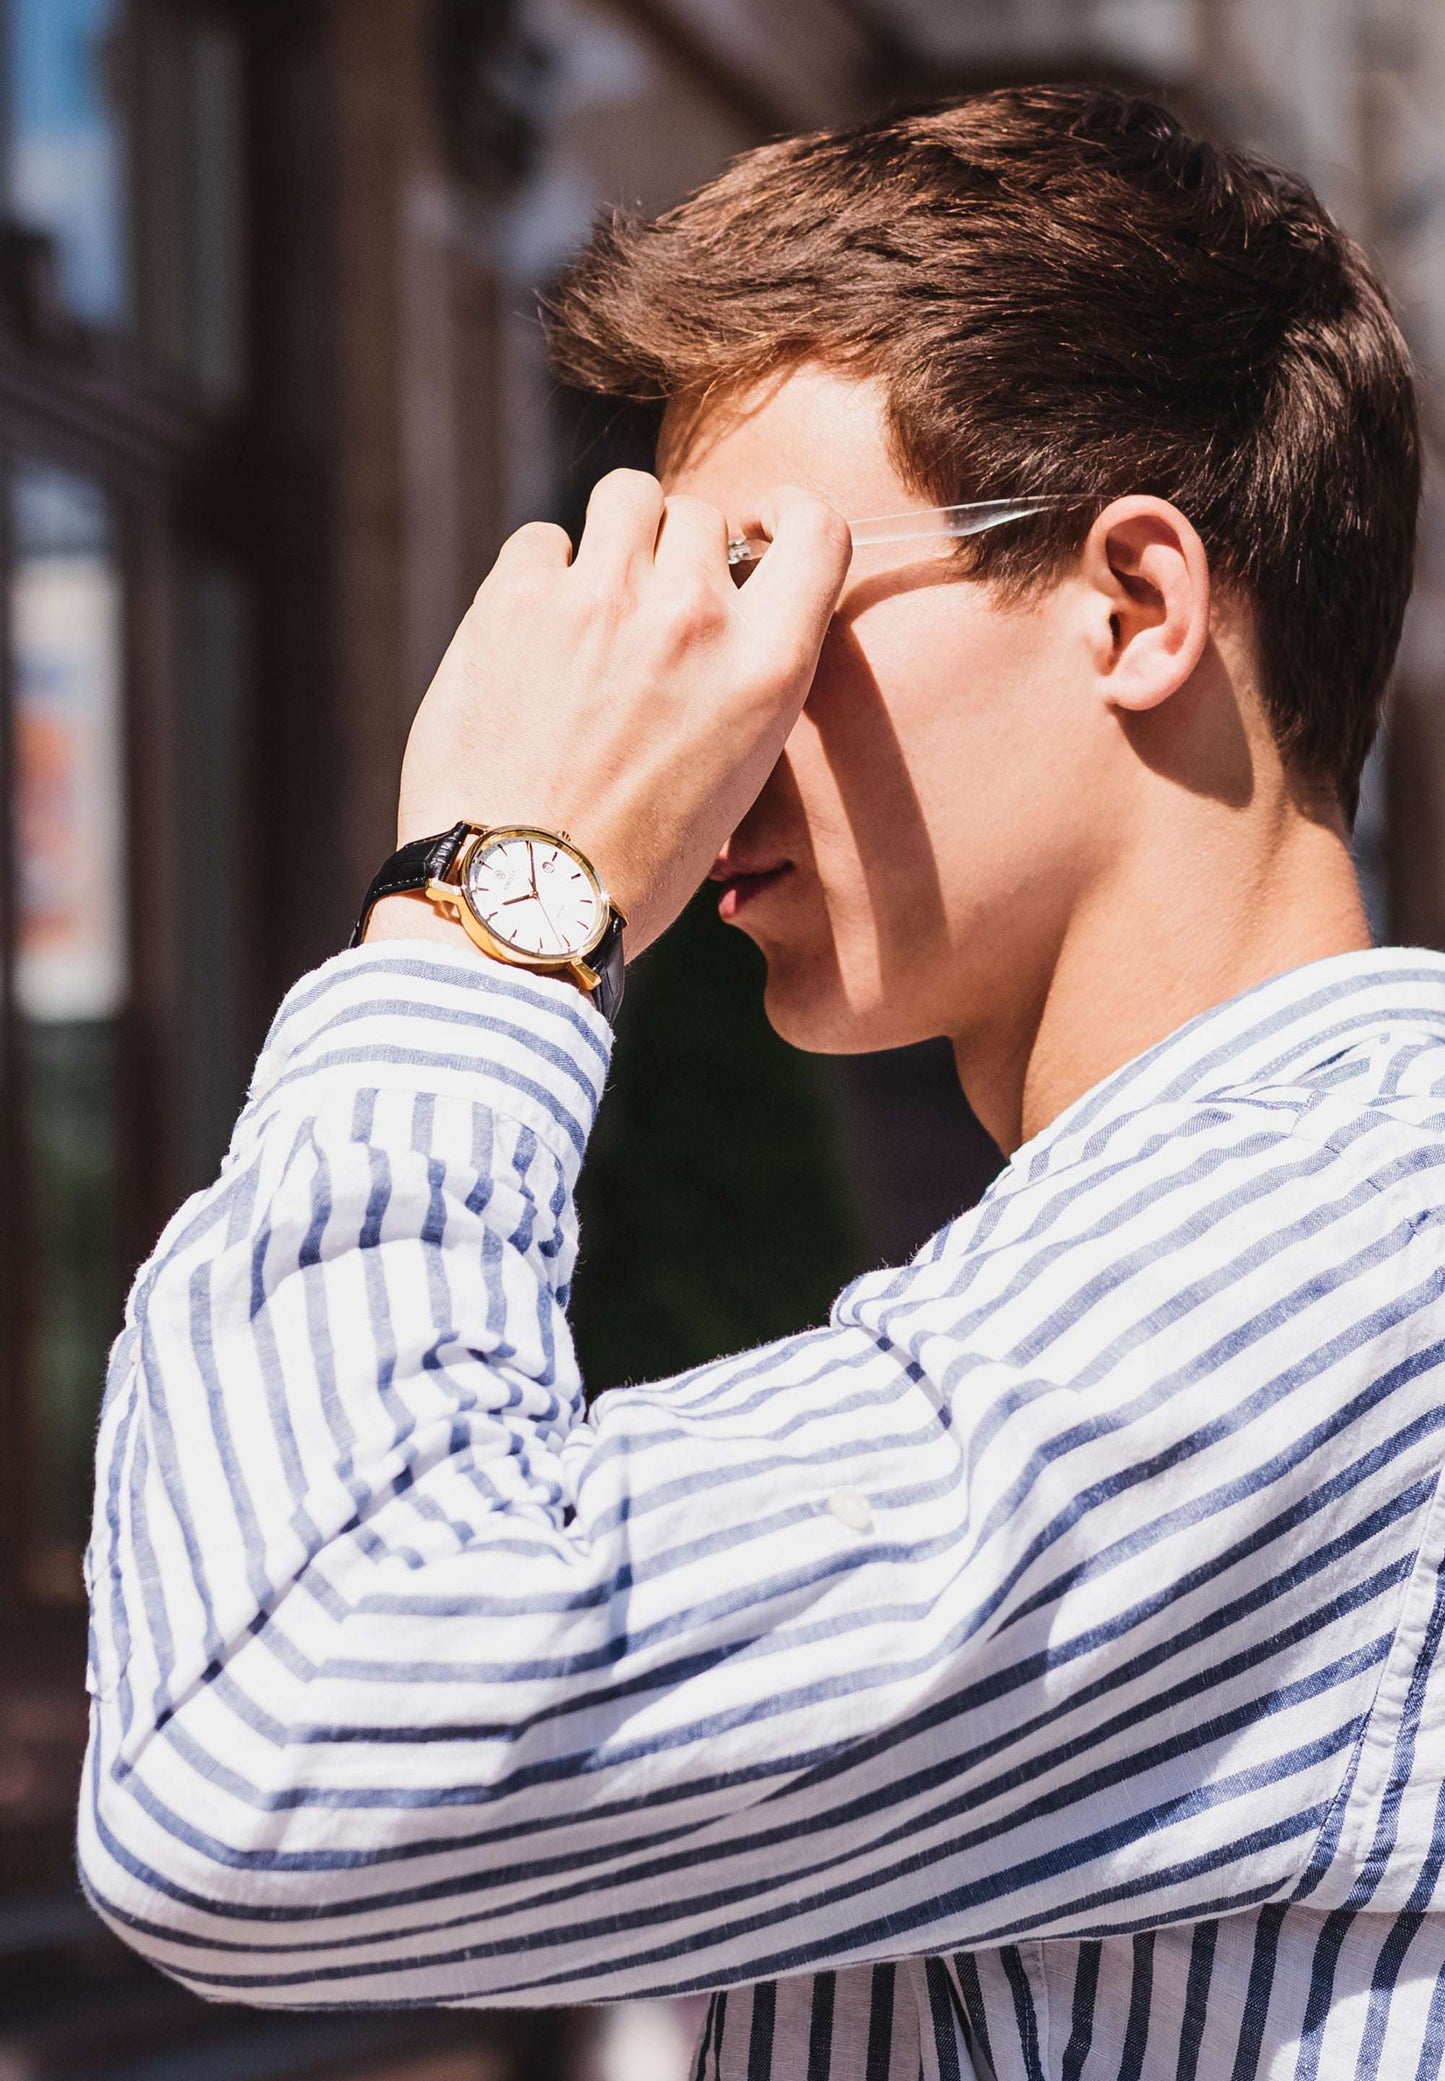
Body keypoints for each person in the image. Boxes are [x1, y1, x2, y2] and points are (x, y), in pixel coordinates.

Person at [78, 83, 1444, 2081]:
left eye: (765, 593)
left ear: (1136, 605)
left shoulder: (1329, 1257)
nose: (700, 709)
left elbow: (274, 1756)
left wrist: (492, 901)